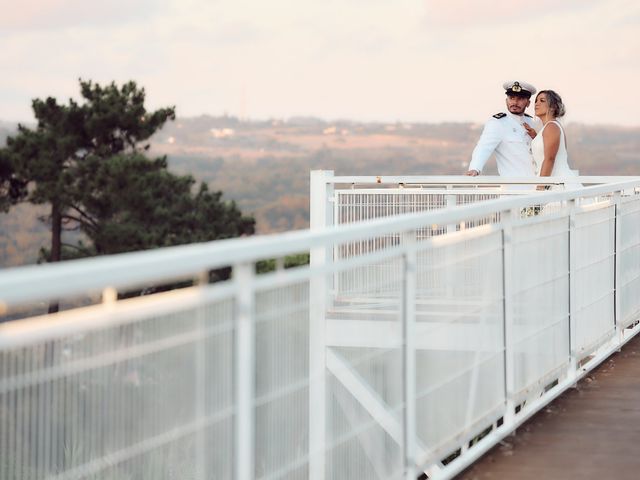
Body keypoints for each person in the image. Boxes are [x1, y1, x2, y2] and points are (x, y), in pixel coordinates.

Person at [466, 80, 538, 178]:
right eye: (511, 98)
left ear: (528, 103)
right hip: (514, 189)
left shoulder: (532, 122)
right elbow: (483, 147)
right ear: (506, 100)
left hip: (538, 186)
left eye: (520, 99)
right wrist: (475, 168)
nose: (515, 102)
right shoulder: (498, 122)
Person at [531, 90, 579, 189]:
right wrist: (535, 137)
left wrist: (540, 187)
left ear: (552, 107)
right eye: (536, 101)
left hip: (557, 184)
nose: (536, 103)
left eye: (542, 100)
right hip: (553, 182)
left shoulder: (551, 127)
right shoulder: (548, 128)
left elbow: (550, 159)